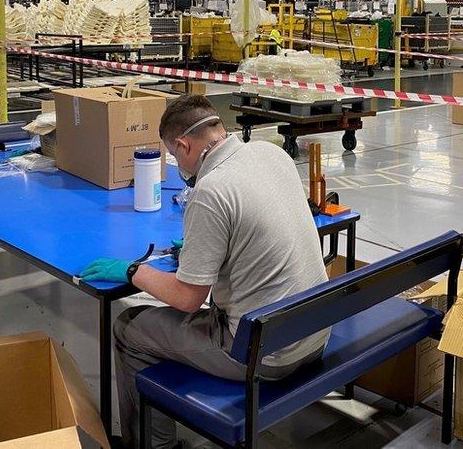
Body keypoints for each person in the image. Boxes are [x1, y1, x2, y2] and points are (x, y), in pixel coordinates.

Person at [79, 95, 329, 449]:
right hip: (315, 328)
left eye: (174, 154)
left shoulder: (210, 191)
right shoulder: (272, 153)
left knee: (128, 327)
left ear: (182, 146)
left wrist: (132, 271)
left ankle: (151, 445)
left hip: (267, 352)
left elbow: (188, 299)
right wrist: (203, 250)